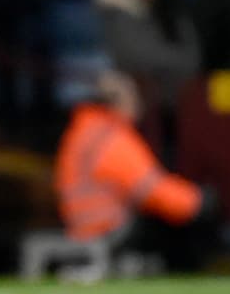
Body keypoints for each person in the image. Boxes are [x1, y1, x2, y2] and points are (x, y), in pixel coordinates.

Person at [55, 70, 213, 272]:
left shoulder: (84, 130)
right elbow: (153, 190)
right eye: (134, 96)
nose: (139, 104)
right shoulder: (112, 137)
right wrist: (198, 202)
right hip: (108, 230)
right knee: (177, 225)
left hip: (83, 227)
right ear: (118, 101)